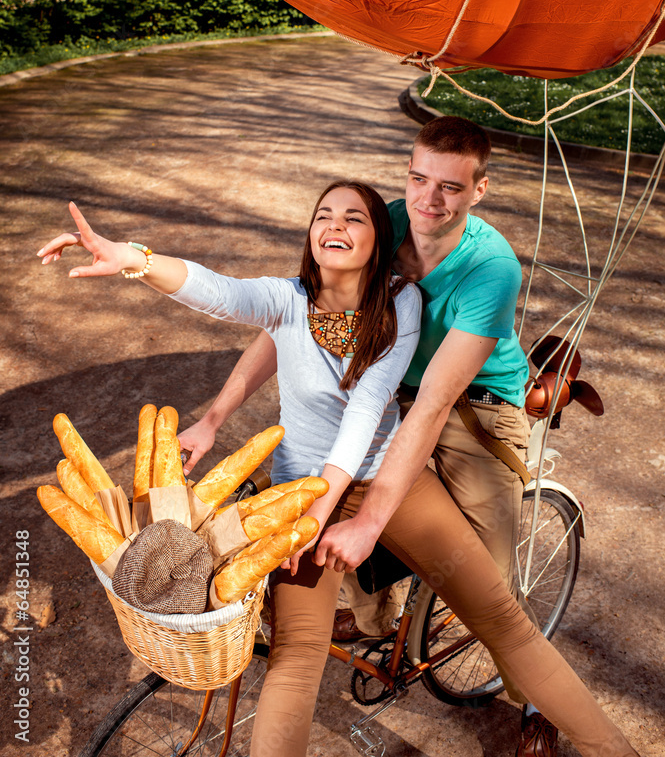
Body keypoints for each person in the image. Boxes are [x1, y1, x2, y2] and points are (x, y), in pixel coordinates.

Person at [38, 184, 640, 757]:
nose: (335, 225)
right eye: (325, 214)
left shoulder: (401, 304)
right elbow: (215, 289)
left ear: (377, 240)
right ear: (311, 235)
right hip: (297, 497)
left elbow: (364, 414)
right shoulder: (287, 300)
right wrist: (132, 258)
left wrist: (319, 513)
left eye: (354, 218)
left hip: (385, 485)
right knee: (296, 657)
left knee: (503, 619)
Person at [177, 116, 550, 755]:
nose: (429, 201)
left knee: (489, 575)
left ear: (479, 190)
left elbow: (435, 405)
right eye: (417, 180)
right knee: (346, 513)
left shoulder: (489, 268)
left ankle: (532, 702)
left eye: (451, 189)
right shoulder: (385, 220)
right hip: (398, 389)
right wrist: (213, 416)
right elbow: (289, 319)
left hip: (475, 402)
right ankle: (379, 623)